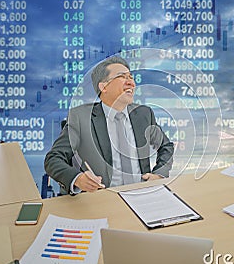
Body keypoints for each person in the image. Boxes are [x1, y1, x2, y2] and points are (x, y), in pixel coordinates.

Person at [44, 56, 174, 194]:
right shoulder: (81, 117)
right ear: (104, 86)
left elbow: (166, 146)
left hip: (141, 195)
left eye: (131, 77)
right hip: (103, 198)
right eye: (122, 77)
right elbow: (53, 159)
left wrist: (159, 174)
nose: (131, 83)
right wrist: (77, 178)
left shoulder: (143, 114)